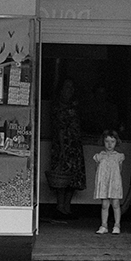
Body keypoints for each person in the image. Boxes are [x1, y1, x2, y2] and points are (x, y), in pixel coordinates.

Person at [46, 78, 84, 217]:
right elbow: (60, 129)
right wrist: (62, 149)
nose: (70, 90)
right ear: (61, 90)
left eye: (72, 87)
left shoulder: (74, 107)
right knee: (62, 177)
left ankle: (67, 207)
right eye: (67, 87)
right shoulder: (58, 107)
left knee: (73, 178)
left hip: (74, 146)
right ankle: (60, 206)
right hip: (63, 146)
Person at [91, 130, 125, 234]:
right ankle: (104, 225)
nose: (109, 144)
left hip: (114, 183)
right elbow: (97, 169)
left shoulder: (119, 156)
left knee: (115, 204)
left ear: (116, 142)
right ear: (103, 142)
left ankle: (117, 225)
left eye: (112, 141)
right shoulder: (99, 156)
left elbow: (119, 169)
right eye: (107, 141)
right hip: (104, 183)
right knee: (105, 205)